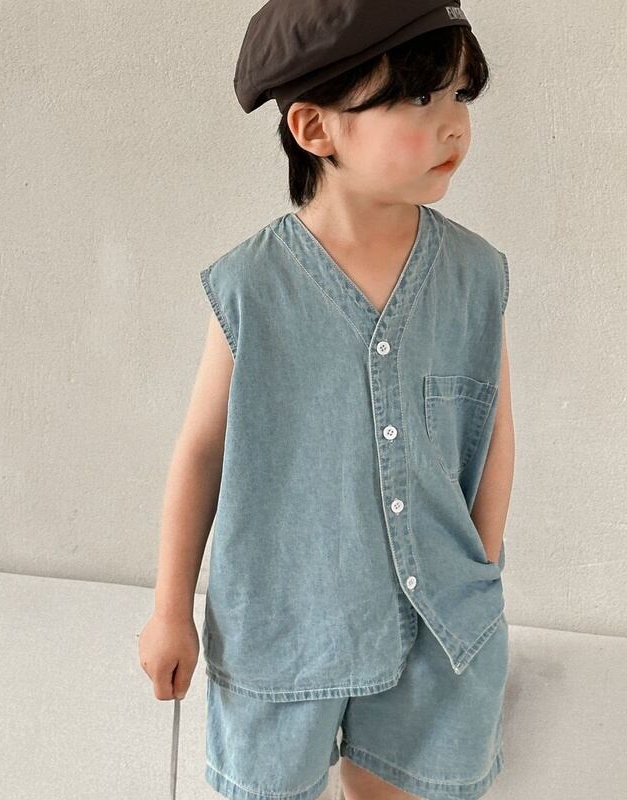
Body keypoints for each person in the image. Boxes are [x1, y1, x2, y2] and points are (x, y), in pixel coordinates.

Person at [139, 2, 515, 798]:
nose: (454, 124)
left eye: (461, 95)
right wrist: (171, 608)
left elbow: (492, 433)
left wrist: (479, 572)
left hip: (442, 632)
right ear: (315, 128)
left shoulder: (477, 276)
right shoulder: (251, 286)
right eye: (420, 98)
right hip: (282, 626)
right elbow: (201, 452)